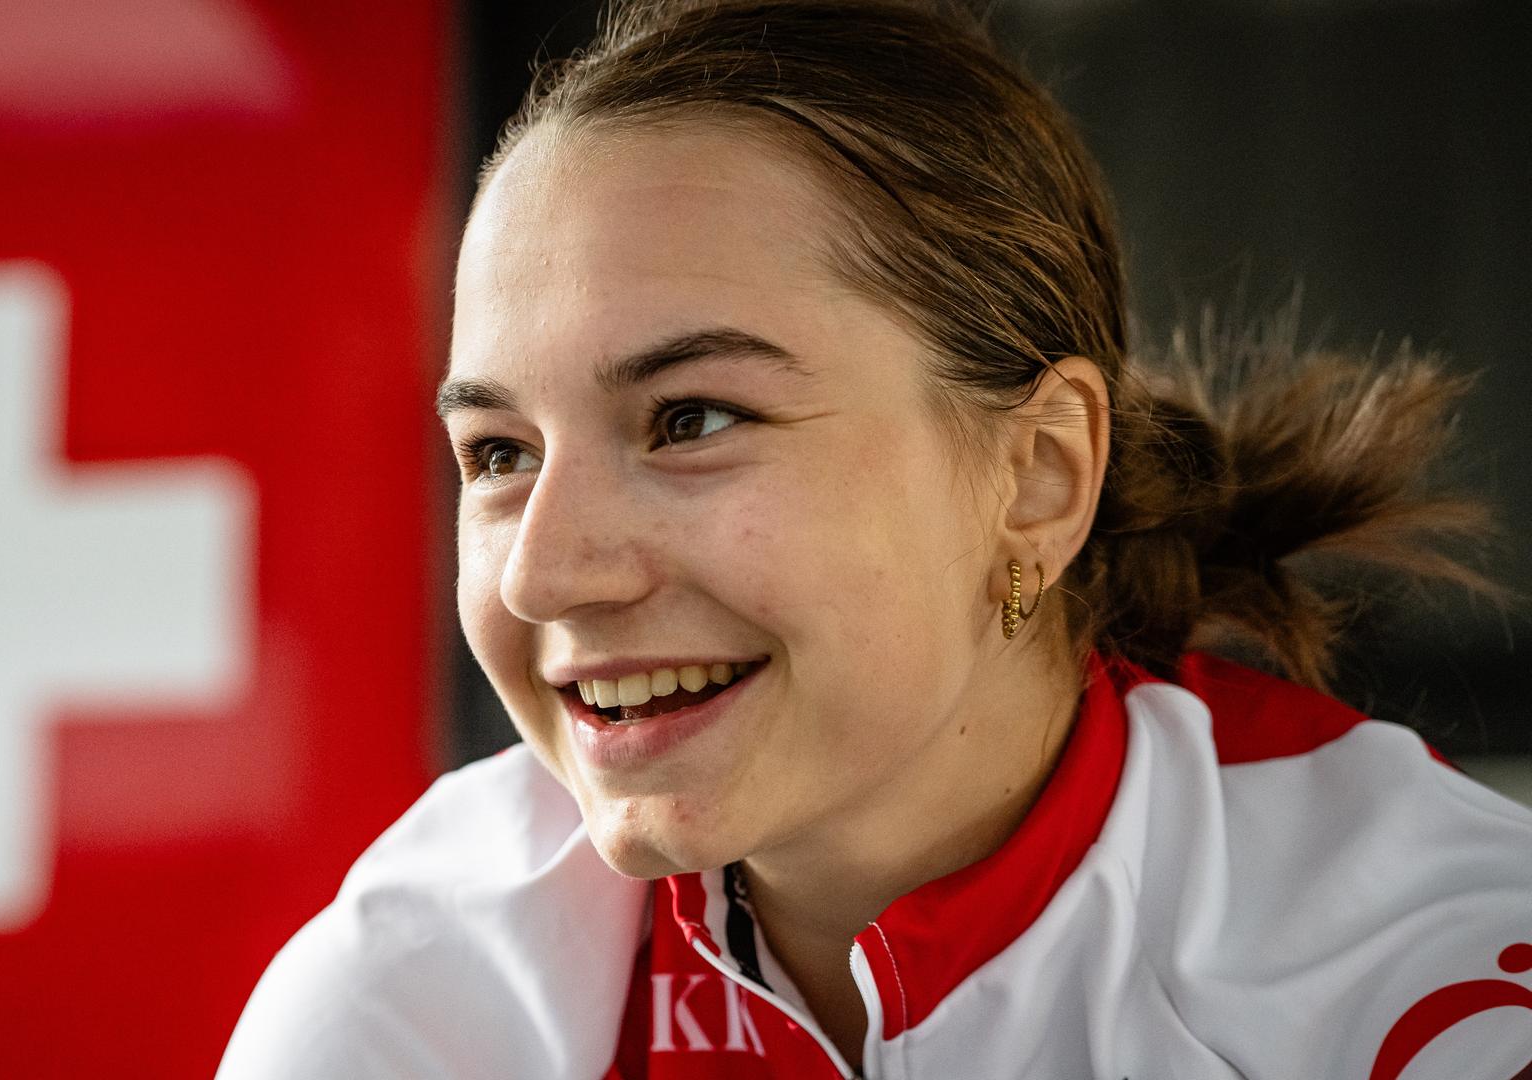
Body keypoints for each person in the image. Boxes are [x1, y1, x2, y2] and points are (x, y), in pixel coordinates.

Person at [217, 1, 1532, 1076]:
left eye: (692, 417)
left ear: (1037, 474)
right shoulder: (417, 1004)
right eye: (499, 453)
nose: (544, 572)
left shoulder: (1424, 989)